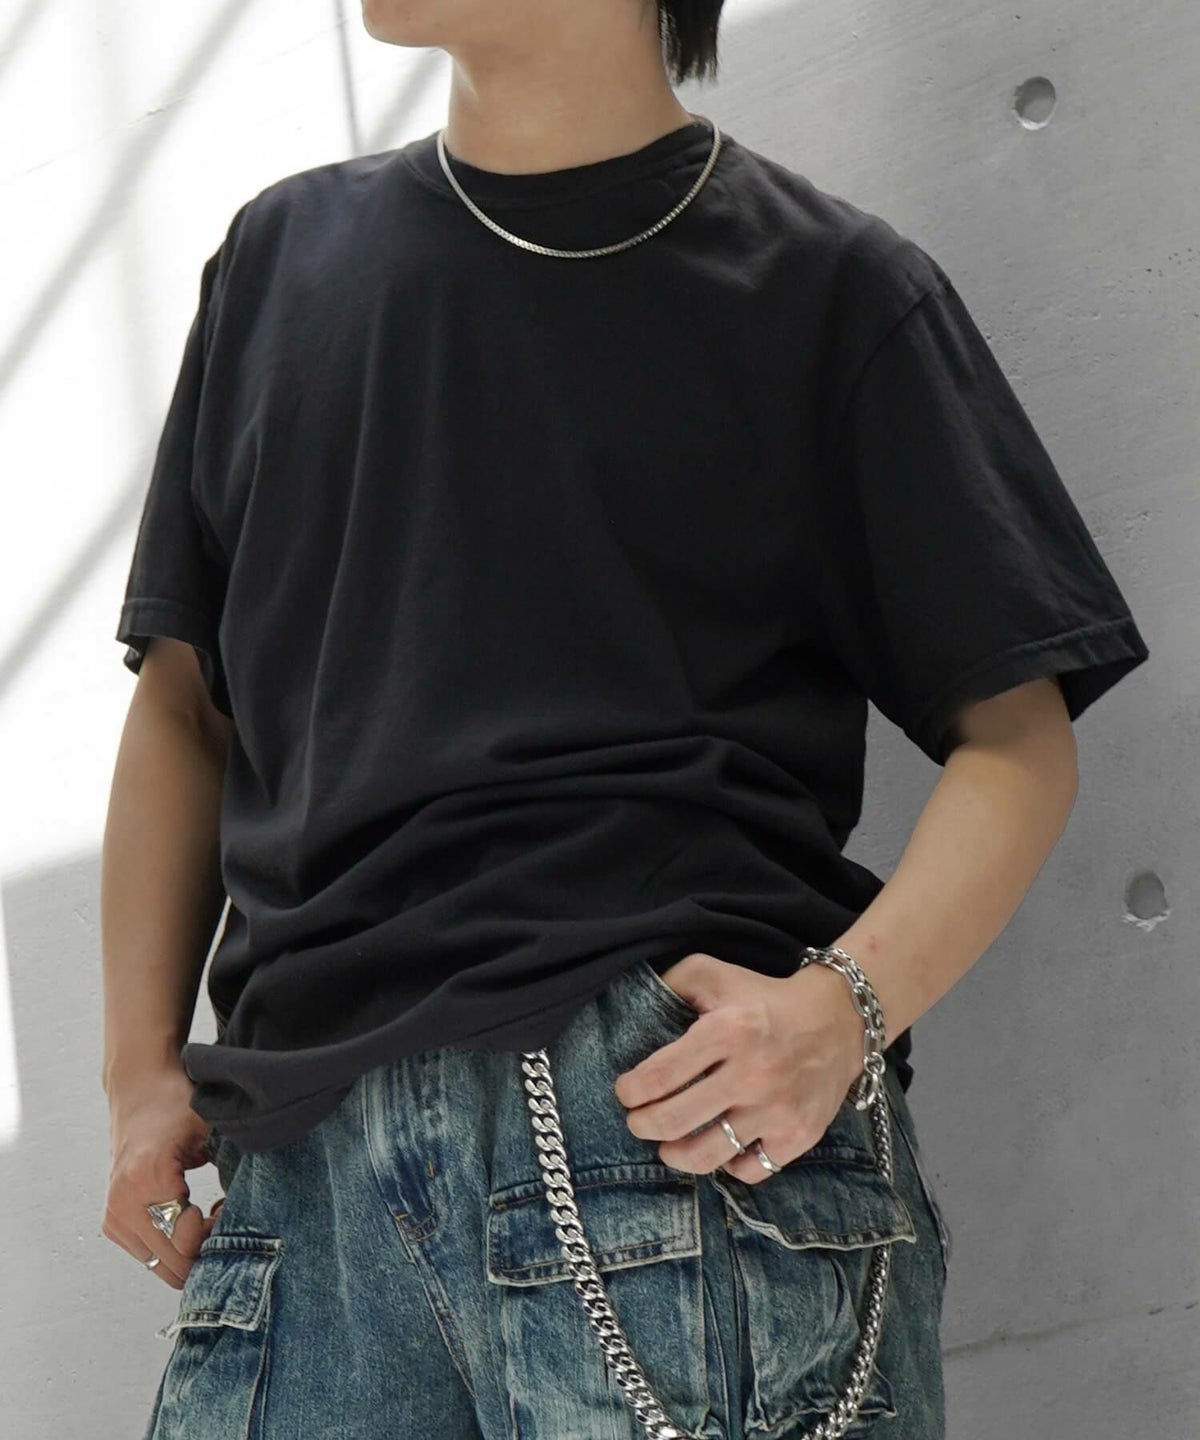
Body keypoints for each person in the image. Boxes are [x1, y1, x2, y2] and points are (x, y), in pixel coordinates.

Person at [101, 2, 1151, 1436]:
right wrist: (137, 1074)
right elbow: (184, 705)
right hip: (299, 1184)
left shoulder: (827, 290)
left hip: (660, 1133)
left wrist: (843, 1008)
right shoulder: (277, 266)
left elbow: (1018, 737)